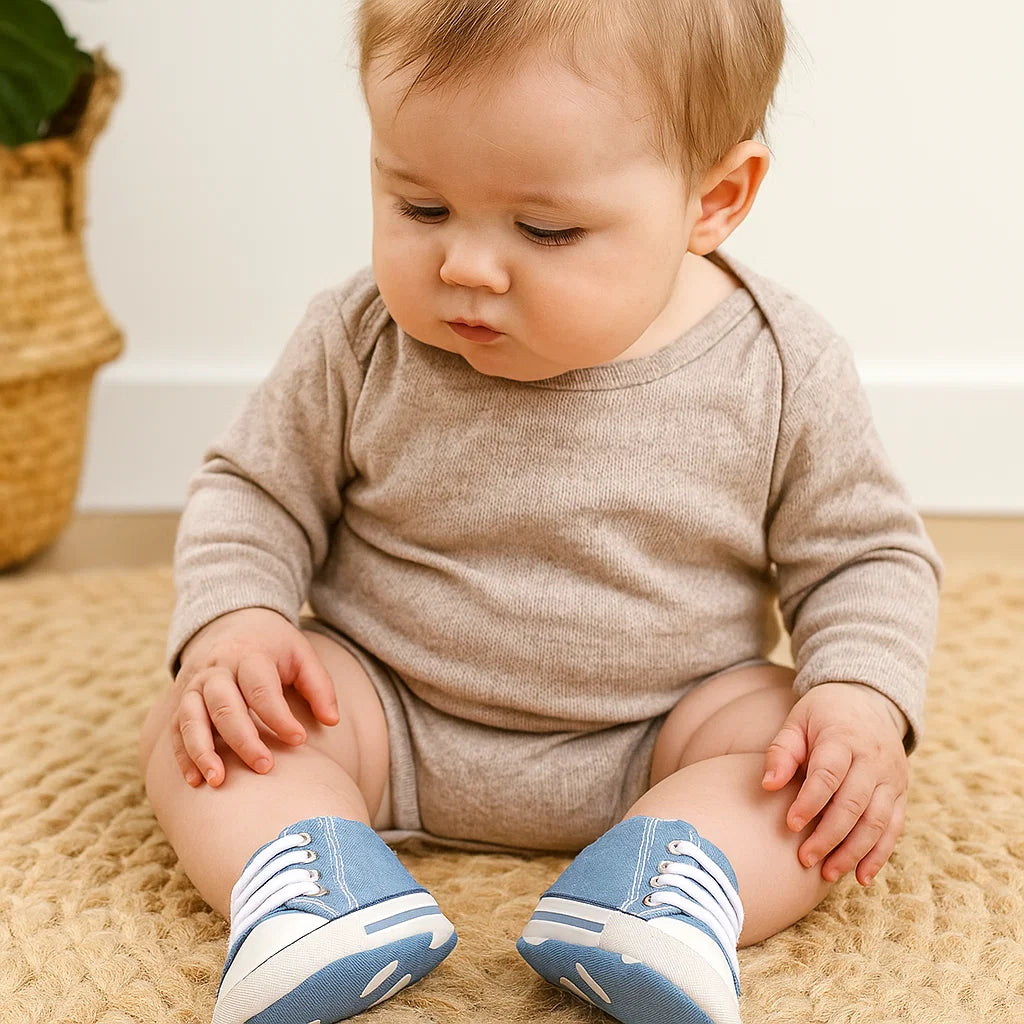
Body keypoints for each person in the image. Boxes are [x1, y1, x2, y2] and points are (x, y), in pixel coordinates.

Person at [136, 1, 943, 1022]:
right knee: (200, 724)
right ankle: (311, 886)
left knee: (813, 768)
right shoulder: (360, 336)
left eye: (544, 228)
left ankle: (668, 889)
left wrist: (860, 699)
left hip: (667, 729)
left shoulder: (780, 365)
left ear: (714, 199)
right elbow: (255, 491)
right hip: (382, 705)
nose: (464, 266)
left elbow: (864, 556)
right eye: (419, 207)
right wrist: (236, 621)